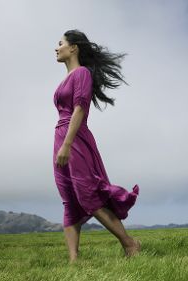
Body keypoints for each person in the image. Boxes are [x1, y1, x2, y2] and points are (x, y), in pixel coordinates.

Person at [53, 29, 141, 263]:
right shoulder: (66, 78)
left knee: (88, 195)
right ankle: (73, 260)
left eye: (60, 43)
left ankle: (130, 244)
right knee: (69, 199)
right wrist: (61, 143)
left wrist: (68, 145)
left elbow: (80, 109)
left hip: (75, 139)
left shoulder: (81, 74)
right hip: (60, 136)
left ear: (74, 48)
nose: (56, 48)